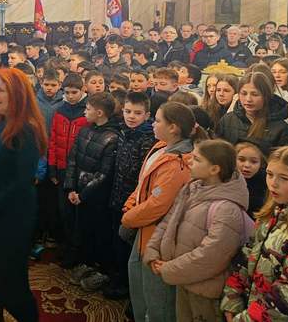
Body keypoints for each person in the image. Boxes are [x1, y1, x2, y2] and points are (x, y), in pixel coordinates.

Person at [144, 139, 250, 322]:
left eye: (197, 159)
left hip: (205, 291)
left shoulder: (227, 208)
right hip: (184, 281)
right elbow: (168, 221)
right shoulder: (192, 188)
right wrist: (152, 250)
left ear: (214, 169)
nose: (189, 161)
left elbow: (211, 256)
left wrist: (169, 269)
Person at [0, 68, 47, 322]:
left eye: (1, 90)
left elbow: (21, 183)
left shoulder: (26, 130)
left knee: (11, 279)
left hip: (12, 217)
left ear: (17, 95)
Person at [122, 102, 208, 322]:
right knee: (139, 290)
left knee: (157, 301)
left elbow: (158, 204)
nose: (153, 124)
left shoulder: (178, 162)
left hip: (159, 237)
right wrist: (130, 206)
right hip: (143, 229)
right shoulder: (161, 147)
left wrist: (128, 218)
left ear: (173, 127)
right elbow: (142, 184)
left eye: (158, 120)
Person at [221, 146, 288, 321]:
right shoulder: (273, 213)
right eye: (269, 174)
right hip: (250, 306)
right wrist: (232, 298)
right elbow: (246, 255)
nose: (273, 183)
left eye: (284, 178)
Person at [64, 92, 122, 292]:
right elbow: (73, 159)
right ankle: (86, 263)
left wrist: (83, 195)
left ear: (99, 113)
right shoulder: (84, 130)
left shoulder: (112, 138)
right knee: (83, 231)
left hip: (96, 197)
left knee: (99, 234)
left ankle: (101, 271)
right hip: (78, 192)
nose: (84, 112)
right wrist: (71, 187)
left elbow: (104, 174)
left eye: (87, 109)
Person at [105, 91, 155, 300]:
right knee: (115, 239)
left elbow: (143, 175)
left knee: (126, 242)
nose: (131, 116)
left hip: (132, 200)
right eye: (127, 111)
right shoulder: (123, 132)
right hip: (117, 194)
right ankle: (116, 275)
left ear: (147, 115)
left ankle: (125, 283)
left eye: (137, 113)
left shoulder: (147, 139)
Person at [47, 73, 89, 266]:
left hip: (80, 172)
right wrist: (53, 167)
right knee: (63, 212)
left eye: (74, 92)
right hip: (62, 169)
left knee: (77, 215)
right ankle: (66, 246)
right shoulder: (60, 111)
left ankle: (77, 251)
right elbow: (54, 140)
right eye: (67, 92)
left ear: (82, 90)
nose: (71, 96)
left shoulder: (86, 113)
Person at [216, 72, 288, 148]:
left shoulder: (281, 129)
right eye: (244, 93)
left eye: (255, 94)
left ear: (266, 96)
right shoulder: (227, 121)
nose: (248, 99)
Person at [235, 140, 268, 218]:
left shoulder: (267, 182)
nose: (247, 165)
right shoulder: (225, 179)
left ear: (261, 164)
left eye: (253, 162)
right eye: (241, 160)